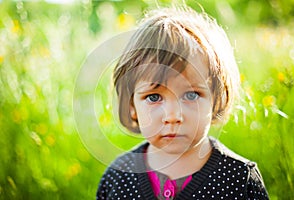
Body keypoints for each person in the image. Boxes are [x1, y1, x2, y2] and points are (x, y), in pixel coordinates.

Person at [96, 6, 269, 200]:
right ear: (131, 106)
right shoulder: (118, 178)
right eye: (154, 97)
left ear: (216, 99)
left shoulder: (238, 179)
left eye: (191, 95)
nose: (173, 116)